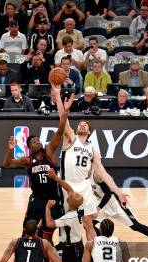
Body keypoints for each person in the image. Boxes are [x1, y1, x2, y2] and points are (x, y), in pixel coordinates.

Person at [55, 87, 128, 242]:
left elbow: (103, 174)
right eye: (80, 124)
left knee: (89, 222)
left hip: (84, 187)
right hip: (67, 186)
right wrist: (57, 94)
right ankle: (69, 251)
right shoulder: (70, 138)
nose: (82, 125)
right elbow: (63, 118)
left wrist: (118, 192)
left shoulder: (92, 150)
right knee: (68, 225)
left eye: (85, 125)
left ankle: (94, 255)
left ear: (89, 132)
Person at [3, 87, 72, 239]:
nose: (37, 142)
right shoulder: (27, 160)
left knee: (48, 231)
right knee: (28, 228)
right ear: (29, 147)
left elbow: (60, 132)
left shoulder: (48, 151)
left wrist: (65, 114)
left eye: (38, 140)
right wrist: (10, 150)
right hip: (37, 199)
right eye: (33, 141)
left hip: (53, 197)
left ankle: (46, 257)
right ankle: (20, 252)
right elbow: (7, 165)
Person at [91, 171, 148, 253]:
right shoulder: (84, 175)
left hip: (116, 206)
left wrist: (118, 194)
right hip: (103, 206)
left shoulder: (98, 174)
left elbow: (108, 194)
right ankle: (100, 246)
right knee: (90, 224)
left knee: (136, 226)